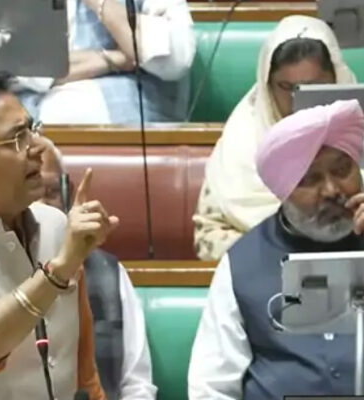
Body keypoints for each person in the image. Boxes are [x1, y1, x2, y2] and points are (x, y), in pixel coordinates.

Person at [188, 99, 364, 399]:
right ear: (283, 191)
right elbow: (211, 387)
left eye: (341, 169)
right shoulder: (243, 263)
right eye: (309, 179)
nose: (332, 190)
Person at [0, 75, 119, 399]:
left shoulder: (55, 225)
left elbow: (83, 369)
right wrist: (56, 274)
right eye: (17, 138)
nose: (38, 147)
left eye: (32, 130)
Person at [193, 15, 357, 260]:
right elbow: (207, 237)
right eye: (286, 87)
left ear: (337, 80)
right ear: (267, 86)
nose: (296, 99)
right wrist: (277, 256)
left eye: (314, 86)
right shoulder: (240, 143)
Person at [41, 139, 157, 400]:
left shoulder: (106, 274)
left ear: (68, 194)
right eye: (30, 190)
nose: (41, 204)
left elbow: (137, 386)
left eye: (51, 192)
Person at [17, 0, 196, 124]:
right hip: (33, 129)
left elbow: (176, 60)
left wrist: (100, 3)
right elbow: (13, 67)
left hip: (131, 127)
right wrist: (114, 59)